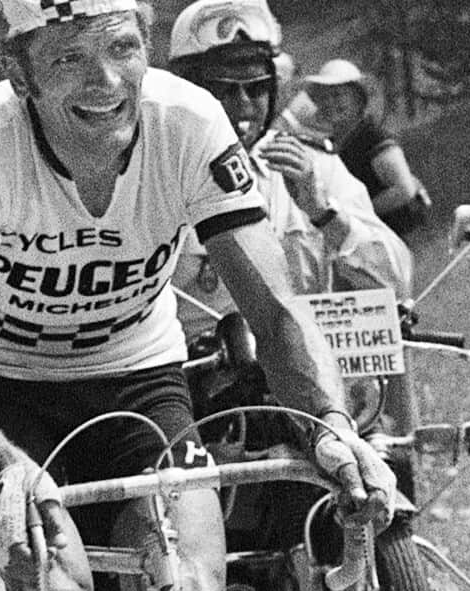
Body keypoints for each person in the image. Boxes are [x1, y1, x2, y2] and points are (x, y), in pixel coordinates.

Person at [0, 2, 395, 591]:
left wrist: (328, 421)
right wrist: (4, 467)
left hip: (138, 377)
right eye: (68, 58)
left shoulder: (190, 123)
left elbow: (277, 311)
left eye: (123, 48)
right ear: (18, 73)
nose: (106, 82)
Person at [166, 0, 419, 478]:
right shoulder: (157, 180)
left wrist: (322, 211)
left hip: (314, 386)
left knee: (382, 473)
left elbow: (396, 276)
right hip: (205, 402)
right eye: (224, 91)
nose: (243, 107)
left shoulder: (312, 167)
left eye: (257, 89)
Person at [294, 59, 431, 240]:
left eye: (337, 96)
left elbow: (404, 189)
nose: (329, 103)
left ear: (358, 100)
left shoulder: (374, 139)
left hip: (400, 237)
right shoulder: (334, 143)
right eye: (324, 97)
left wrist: (356, 214)